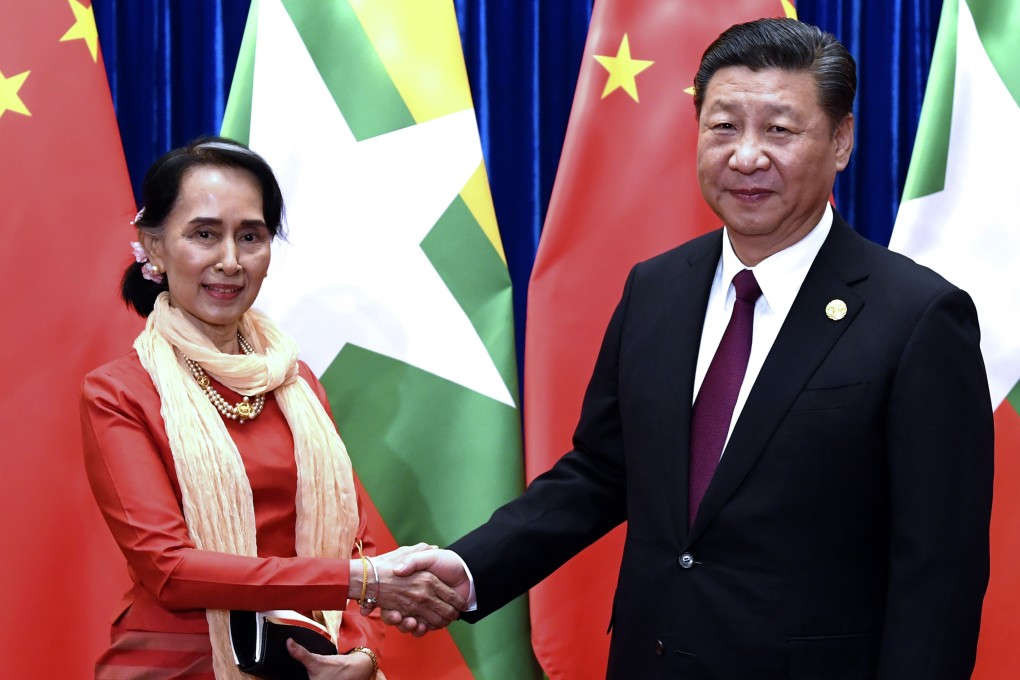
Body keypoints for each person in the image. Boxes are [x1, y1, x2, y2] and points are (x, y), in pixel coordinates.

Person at [377, 18, 995, 679]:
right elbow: (600, 473)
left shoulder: (918, 316)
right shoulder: (658, 289)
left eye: (780, 130)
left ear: (841, 141)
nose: (747, 156)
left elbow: (939, 572)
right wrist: (470, 568)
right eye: (724, 126)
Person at [80, 137, 463, 680]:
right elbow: (170, 570)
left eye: (251, 237)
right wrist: (359, 579)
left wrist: (362, 653)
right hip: (179, 664)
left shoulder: (296, 383)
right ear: (155, 248)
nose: (230, 261)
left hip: (308, 661)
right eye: (204, 234)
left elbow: (357, 540)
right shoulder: (119, 392)